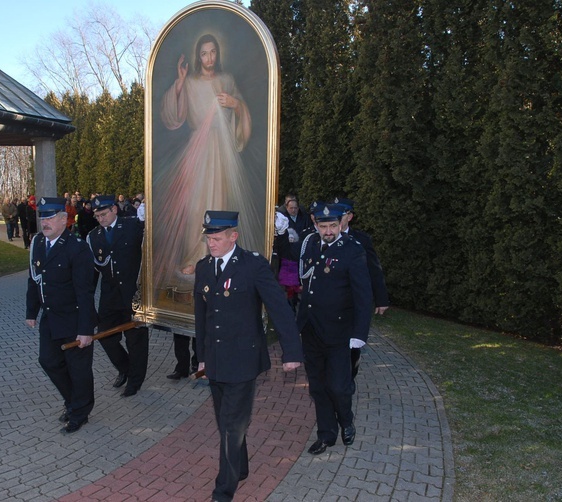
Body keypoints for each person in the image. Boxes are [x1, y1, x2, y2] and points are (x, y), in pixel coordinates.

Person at [194, 210, 303, 502]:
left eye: (217, 238)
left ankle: (224, 488)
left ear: (233, 236)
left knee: (231, 426)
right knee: (225, 422)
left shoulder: (253, 266)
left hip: (242, 359)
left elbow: (279, 307)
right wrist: (201, 356)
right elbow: (201, 315)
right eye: (208, 239)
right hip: (216, 359)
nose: (211, 244)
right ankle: (240, 468)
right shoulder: (204, 267)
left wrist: (292, 352)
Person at [153, 34, 261, 294]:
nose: (209, 58)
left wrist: (235, 104)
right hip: (196, 150)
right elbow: (173, 117)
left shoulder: (226, 80)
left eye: (213, 52)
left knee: (218, 202)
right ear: (197, 56)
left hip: (221, 151)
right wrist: (179, 83)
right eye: (204, 53)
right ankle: (193, 257)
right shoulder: (189, 83)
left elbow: (242, 111)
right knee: (194, 206)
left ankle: (218, 256)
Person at [296, 204, 373, 456]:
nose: (327, 231)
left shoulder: (353, 250)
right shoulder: (310, 246)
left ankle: (346, 418)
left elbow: (363, 296)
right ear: (316, 225)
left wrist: (359, 335)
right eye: (322, 226)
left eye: (332, 226)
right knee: (318, 386)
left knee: (338, 386)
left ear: (341, 223)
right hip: (311, 329)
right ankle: (326, 435)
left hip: (340, 332)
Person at [25, 197, 96, 434]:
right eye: (42, 217)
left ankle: (80, 412)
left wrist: (86, 329)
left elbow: (85, 293)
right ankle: (73, 401)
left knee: (78, 369)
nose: (44, 222)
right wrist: (31, 311)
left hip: (74, 318)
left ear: (64, 219)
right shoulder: (37, 243)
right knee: (48, 361)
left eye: (50, 217)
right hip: (51, 317)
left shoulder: (77, 248)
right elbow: (34, 279)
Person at [86, 195, 148, 397]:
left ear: (114, 209)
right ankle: (126, 368)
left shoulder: (133, 226)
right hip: (110, 297)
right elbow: (92, 273)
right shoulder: (93, 236)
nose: (100, 219)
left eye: (103, 214)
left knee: (135, 340)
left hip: (134, 294)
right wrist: (87, 303)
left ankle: (135, 382)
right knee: (105, 336)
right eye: (97, 216)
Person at [333, 196, 390, 380]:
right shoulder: (323, 238)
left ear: (349, 217)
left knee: (351, 348)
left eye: (341, 215)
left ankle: (348, 380)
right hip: (333, 303)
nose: (338, 219)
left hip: (354, 303)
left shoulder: (361, 240)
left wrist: (381, 299)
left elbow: (374, 269)